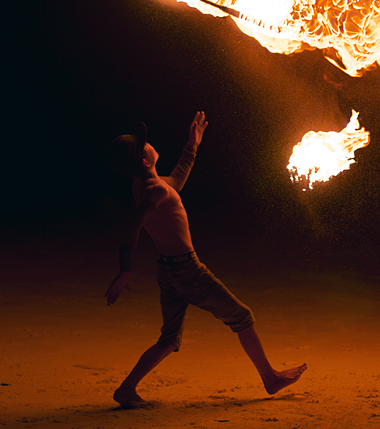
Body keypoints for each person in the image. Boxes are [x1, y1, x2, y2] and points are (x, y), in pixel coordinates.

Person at [105, 112, 307, 408]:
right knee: (242, 316)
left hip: (168, 270)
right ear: (145, 161)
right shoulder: (155, 189)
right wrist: (124, 272)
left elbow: (176, 182)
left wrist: (192, 146)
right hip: (187, 270)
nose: (149, 144)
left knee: (169, 339)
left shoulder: (147, 186)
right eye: (144, 145)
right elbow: (132, 227)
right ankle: (271, 379)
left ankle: (126, 390)